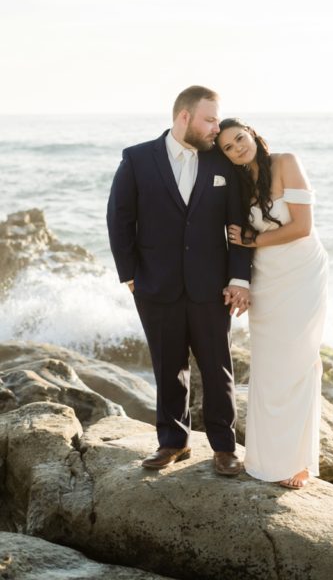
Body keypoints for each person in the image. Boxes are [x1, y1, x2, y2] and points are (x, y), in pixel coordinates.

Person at [106, 85, 252, 476]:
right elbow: (119, 219)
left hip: (212, 285)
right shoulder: (137, 159)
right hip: (155, 285)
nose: (215, 128)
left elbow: (237, 226)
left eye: (217, 120)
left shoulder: (222, 164)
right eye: (209, 119)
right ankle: (173, 441)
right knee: (168, 366)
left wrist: (240, 277)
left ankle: (225, 447)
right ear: (184, 117)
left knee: (217, 367)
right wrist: (130, 276)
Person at [216, 118, 328, 490]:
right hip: (266, 277)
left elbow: (301, 227)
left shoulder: (286, 162)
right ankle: (267, 458)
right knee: (269, 364)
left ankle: (297, 463)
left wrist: (252, 241)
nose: (237, 149)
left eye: (239, 139)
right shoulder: (237, 183)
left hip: (302, 271)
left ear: (251, 133)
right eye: (228, 148)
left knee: (298, 360)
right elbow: (233, 236)